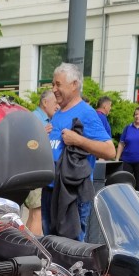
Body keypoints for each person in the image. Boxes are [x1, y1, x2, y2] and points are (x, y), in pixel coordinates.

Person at [42, 62, 115, 239]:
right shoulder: (59, 112)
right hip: (51, 190)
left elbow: (110, 151)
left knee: (71, 251)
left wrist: (78, 140)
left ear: (74, 84)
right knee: (51, 245)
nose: (54, 89)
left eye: (58, 84)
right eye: (53, 84)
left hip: (72, 194)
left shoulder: (86, 113)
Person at [25, 89, 57, 234]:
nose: (57, 106)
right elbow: (26, 144)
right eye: (55, 102)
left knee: (33, 213)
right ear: (45, 102)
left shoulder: (44, 119)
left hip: (37, 171)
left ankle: (26, 247)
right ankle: (35, 252)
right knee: (37, 213)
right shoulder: (34, 118)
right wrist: (41, 135)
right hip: (35, 171)